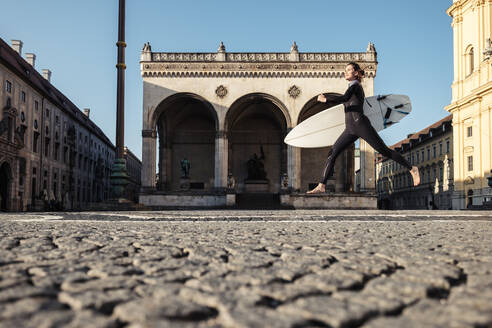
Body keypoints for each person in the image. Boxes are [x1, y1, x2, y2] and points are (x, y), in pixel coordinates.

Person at [307, 62, 420, 194]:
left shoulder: (356, 87)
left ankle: (412, 168)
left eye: (349, 70)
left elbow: (344, 98)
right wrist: (330, 99)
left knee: (383, 150)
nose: (346, 72)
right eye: (345, 70)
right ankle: (322, 185)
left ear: (355, 73)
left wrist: (326, 99)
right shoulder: (351, 88)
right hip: (350, 129)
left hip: (360, 125)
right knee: (333, 153)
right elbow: (344, 99)